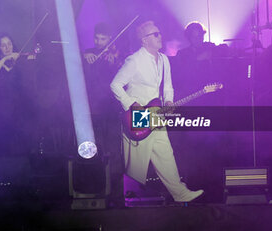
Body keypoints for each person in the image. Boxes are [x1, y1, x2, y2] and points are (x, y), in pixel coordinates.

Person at [110, 21, 203, 202]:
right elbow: (115, 85)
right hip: (138, 116)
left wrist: (168, 100)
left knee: (165, 154)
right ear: (145, 40)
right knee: (136, 162)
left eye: (159, 33)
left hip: (157, 114)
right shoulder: (134, 60)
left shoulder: (163, 59)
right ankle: (128, 199)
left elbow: (167, 85)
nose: (160, 37)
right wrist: (131, 103)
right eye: (156, 34)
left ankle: (180, 194)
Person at [82, 23, 124, 207]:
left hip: (112, 109)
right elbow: (76, 62)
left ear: (110, 39)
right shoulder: (89, 52)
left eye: (103, 39)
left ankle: (116, 194)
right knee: (94, 149)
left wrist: (114, 62)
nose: (99, 42)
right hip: (94, 110)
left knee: (114, 151)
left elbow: (122, 76)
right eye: (96, 38)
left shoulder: (117, 55)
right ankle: (96, 189)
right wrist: (85, 57)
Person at [0, 32, 37, 157]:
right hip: (0, 113)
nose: (7, 47)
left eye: (9, 44)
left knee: (19, 150)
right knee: (1, 149)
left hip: (18, 112)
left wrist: (23, 60)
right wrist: (4, 58)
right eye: (3, 45)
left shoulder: (19, 60)